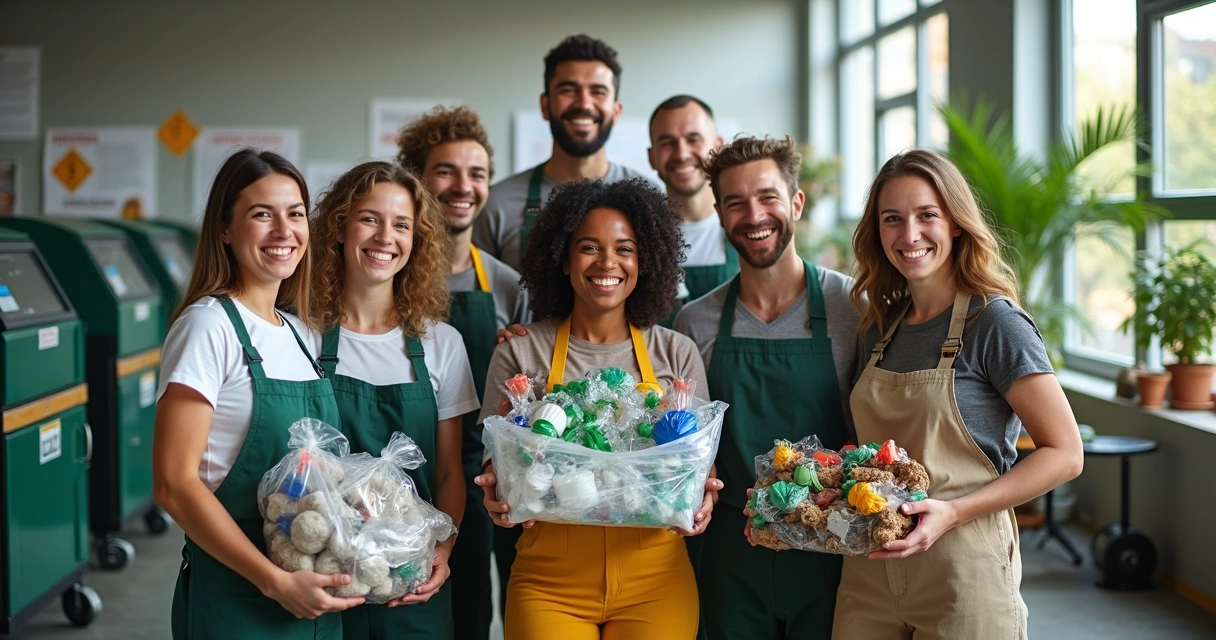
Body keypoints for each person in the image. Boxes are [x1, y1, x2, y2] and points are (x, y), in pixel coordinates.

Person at [834, 149, 1084, 638]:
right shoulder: (879, 329)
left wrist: (950, 513)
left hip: (961, 568)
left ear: (955, 223)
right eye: (892, 219)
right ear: (876, 231)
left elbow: (1066, 454)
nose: (909, 235)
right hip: (869, 565)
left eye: (927, 215)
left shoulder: (995, 323)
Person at [474, 179, 722, 639]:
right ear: (563, 259)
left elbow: (694, 471)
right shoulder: (520, 353)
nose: (608, 262)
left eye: (624, 248)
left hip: (657, 577)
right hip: (549, 581)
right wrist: (498, 490)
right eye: (589, 247)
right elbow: (498, 465)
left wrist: (705, 496)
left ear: (644, 260)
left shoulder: (678, 353)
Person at [153, 149, 363, 639]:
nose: (283, 231)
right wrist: (274, 582)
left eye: (294, 214)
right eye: (261, 214)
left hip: (311, 596)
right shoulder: (209, 325)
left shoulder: (297, 332)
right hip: (241, 594)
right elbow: (173, 483)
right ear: (224, 229)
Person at [673, 135, 859, 640]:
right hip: (734, 550)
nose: (753, 215)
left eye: (767, 197)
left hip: (832, 542)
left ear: (796, 202)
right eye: (735, 202)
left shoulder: (853, 308)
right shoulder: (697, 322)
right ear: (719, 213)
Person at [308, 161, 478, 638]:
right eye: (369, 219)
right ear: (339, 227)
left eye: (401, 224)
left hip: (408, 584)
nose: (385, 237)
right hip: (323, 575)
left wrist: (441, 552)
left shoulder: (441, 344)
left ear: (416, 241)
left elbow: (447, 473)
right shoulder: (299, 335)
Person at [397, 105, 529, 640]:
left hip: (493, 476)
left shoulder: (507, 284)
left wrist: (522, 361)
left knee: (479, 614)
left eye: (476, 174)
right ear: (417, 180)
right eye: (445, 171)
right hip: (402, 471)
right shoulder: (392, 277)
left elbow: (539, 391)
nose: (462, 186)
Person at [473, 34, 654, 271]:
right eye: (569, 90)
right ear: (545, 105)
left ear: (616, 111)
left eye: (598, 92)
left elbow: (664, 297)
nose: (584, 104)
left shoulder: (648, 199)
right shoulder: (497, 204)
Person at [647, 95, 737, 316]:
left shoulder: (746, 228)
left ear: (717, 147)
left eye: (693, 139)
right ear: (652, 157)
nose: (682, 154)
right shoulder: (639, 238)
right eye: (667, 143)